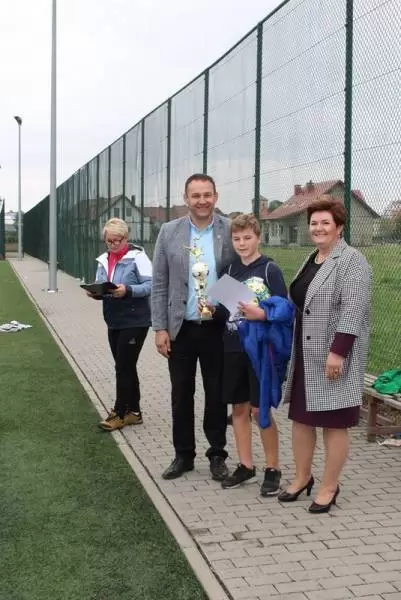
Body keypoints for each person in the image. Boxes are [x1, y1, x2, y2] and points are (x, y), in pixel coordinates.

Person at [278, 196, 372, 513]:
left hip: (333, 358)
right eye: (314, 223)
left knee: (334, 424)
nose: (318, 228)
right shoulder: (312, 258)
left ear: (339, 227)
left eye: (325, 223)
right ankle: (302, 477)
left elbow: (353, 310)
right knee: (302, 420)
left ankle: (329, 486)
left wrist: (338, 352)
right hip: (305, 355)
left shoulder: (352, 261)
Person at [151, 174, 236, 481]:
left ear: (216, 196)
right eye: (196, 195)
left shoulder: (230, 229)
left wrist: (229, 305)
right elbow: (159, 282)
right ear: (185, 198)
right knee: (181, 394)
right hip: (181, 328)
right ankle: (183, 455)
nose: (202, 201)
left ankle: (217, 454)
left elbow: (239, 274)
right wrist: (160, 328)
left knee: (216, 394)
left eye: (207, 195)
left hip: (216, 328)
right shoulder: (169, 231)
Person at [210, 214, 292, 496]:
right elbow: (225, 312)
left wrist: (262, 314)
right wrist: (212, 310)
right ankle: (246, 465)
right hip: (233, 348)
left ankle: (273, 468)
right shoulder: (229, 269)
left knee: (260, 410)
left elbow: (283, 311)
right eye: (237, 239)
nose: (242, 243)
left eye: (247, 238)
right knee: (239, 409)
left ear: (258, 237)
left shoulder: (270, 269)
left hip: (260, 351)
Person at [86, 218, 152, 431]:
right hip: (113, 320)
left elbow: (151, 285)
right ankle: (135, 412)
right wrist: (96, 292)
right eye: (110, 241)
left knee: (122, 366)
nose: (114, 244)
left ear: (126, 238)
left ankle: (119, 412)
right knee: (126, 366)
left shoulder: (138, 257)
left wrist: (128, 290)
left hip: (135, 320)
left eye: (118, 240)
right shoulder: (103, 260)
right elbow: (101, 283)